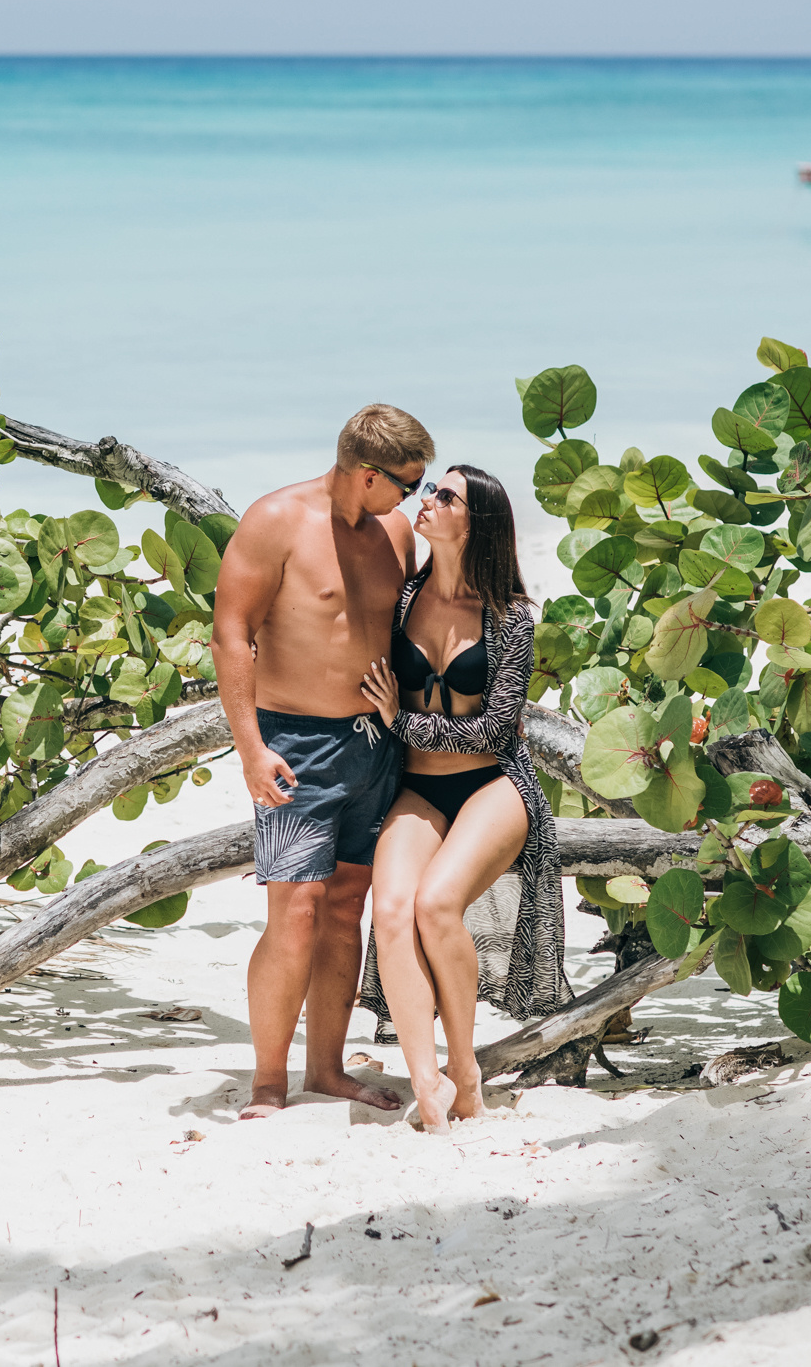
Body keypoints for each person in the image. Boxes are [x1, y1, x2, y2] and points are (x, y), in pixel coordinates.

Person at [212, 404, 433, 1118]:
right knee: (294, 910)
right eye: (407, 482)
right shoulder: (276, 520)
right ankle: (268, 1082)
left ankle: (326, 1070)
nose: (414, 498)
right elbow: (230, 631)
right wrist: (250, 746)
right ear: (368, 474)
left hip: (375, 745)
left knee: (346, 908)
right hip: (295, 746)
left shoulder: (394, 529)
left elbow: (417, 623)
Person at [357, 464, 570, 1130]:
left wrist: (402, 721)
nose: (427, 499)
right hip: (420, 788)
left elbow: (494, 728)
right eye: (429, 489)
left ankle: (464, 1066)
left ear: (473, 523)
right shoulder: (402, 600)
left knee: (437, 903)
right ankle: (431, 1087)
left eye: (443, 495)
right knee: (391, 911)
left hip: (493, 786)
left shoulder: (510, 620)